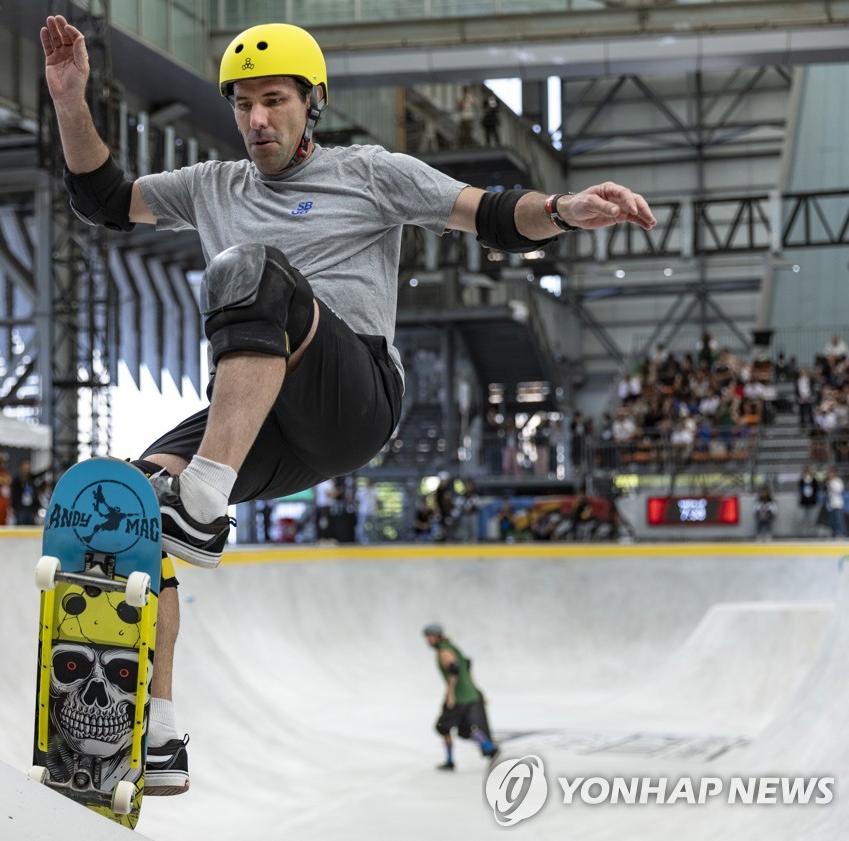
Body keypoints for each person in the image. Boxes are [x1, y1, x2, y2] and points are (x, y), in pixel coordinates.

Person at [39, 14, 655, 794]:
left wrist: (566, 209)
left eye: (274, 101)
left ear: (311, 103)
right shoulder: (211, 185)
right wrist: (68, 97)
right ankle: (152, 732)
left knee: (251, 271)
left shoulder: (370, 173)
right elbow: (102, 198)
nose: (257, 120)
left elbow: (490, 212)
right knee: (124, 511)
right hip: (255, 412)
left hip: (356, 398)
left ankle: (203, 497)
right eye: (243, 105)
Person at [422, 623, 499, 770]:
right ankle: (489, 747)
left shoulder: (443, 651)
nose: (428, 641)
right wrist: (475, 687)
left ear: (437, 636)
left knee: (442, 727)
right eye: (427, 638)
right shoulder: (452, 647)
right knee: (465, 729)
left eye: (430, 637)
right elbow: (468, 664)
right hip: (469, 694)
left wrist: (450, 695)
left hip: (459, 697)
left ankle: (450, 761)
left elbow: (454, 669)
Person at [11, 458, 48, 526]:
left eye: (28, 467)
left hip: (31, 508)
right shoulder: (17, 480)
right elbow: (14, 495)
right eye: (25, 467)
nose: (26, 469)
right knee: (21, 524)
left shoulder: (31, 479)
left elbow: (38, 474)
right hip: (21, 507)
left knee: (31, 524)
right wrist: (14, 507)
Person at [797, 465, 821, 536]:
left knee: (812, 519)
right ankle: (804, 533)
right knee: (802, 519)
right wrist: (805, 480)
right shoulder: (802, 481)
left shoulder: (814, 481)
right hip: (804, 502)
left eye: (809, 471)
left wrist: (810, 480)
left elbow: (816, 490)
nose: (807, 473)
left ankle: (813, 533)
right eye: (806, 471)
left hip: (812, 502)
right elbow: (800, 488)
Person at [826, 467, 845, 538]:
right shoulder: (827, 481)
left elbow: (838, 490)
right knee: (831, 521)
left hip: (837, 504)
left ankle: (841, 533)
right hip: (830, 505)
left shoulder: (837, 481)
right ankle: (833, 534)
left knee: (839, 520)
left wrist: (831, 483)